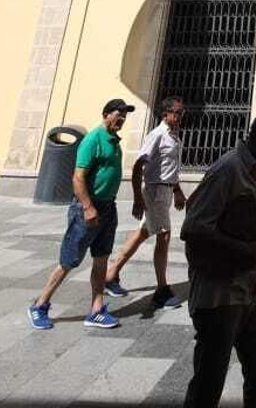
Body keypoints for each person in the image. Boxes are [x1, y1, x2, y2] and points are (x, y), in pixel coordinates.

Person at [182, 107, 256, 408]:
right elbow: (194, 229)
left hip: (250, 295)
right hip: (220, 297)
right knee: (208, 384)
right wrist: (242, 250)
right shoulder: (228, 170)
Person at [28, 98, 134, 331]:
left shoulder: (114, 141)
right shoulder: (93, 140)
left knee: (101, 259)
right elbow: (78, 177)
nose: (122, 119)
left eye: (125, 115)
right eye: (119, 114)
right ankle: (40, 304)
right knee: (69, 260)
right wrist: (88, 207)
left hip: (107, 207)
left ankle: (96, 310)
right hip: (88, 208)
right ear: (106, 114)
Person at [104, 95, 188, 307]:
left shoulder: (174, 136)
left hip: (166, 192)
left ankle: (110, 274)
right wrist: (137, 199)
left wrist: (177, 190)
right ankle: (161, 289)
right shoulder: (157, 135)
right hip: (155, 192)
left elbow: (169, 169)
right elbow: (137, 167)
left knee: (142, 234)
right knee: (164, 236)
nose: (179, 116)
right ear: (165, 113)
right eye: (176, 112)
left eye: (181, 113)